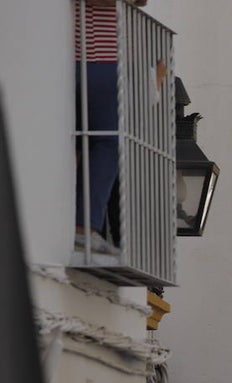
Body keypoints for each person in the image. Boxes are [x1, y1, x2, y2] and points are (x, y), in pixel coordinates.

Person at [74, 0, 147, 256]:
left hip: (101, 61)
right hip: (95, 57)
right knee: (109, 141)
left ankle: (87, 226)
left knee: (99, 144)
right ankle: (84, 228)